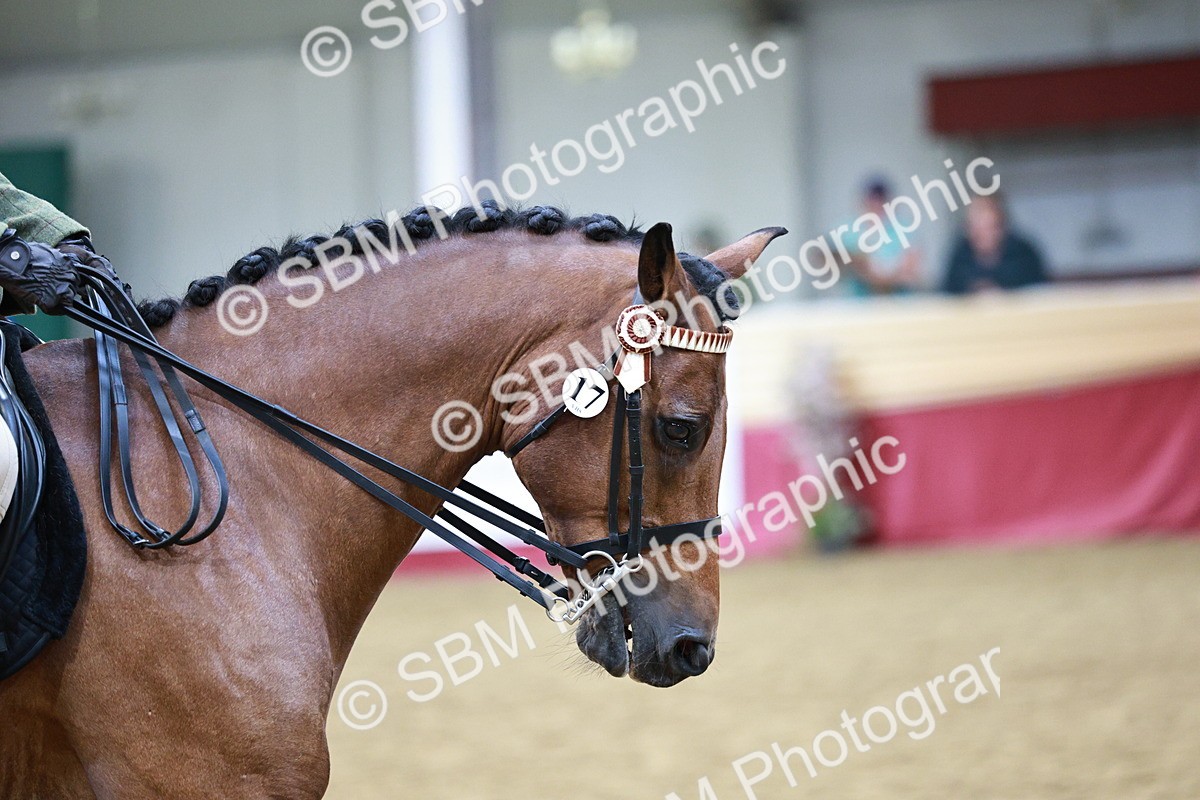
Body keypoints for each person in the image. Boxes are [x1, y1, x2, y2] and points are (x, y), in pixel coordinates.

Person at [941, 192, 1049, 294]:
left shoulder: (1024, 254)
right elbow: (948, 297)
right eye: (974, 227)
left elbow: (1039, 295)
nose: (982, 234)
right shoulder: (960, 257)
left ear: (1002, 225)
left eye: (989, 227)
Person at [842, 177, 922, 297]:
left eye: (881, 202)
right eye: (872, 202)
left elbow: (911, 269)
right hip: (859, 306)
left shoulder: (904, 229)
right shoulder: (849, 232)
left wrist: (873, 273)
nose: (876, 206)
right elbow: (842, 266)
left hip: (899, 304)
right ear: (864, 203)